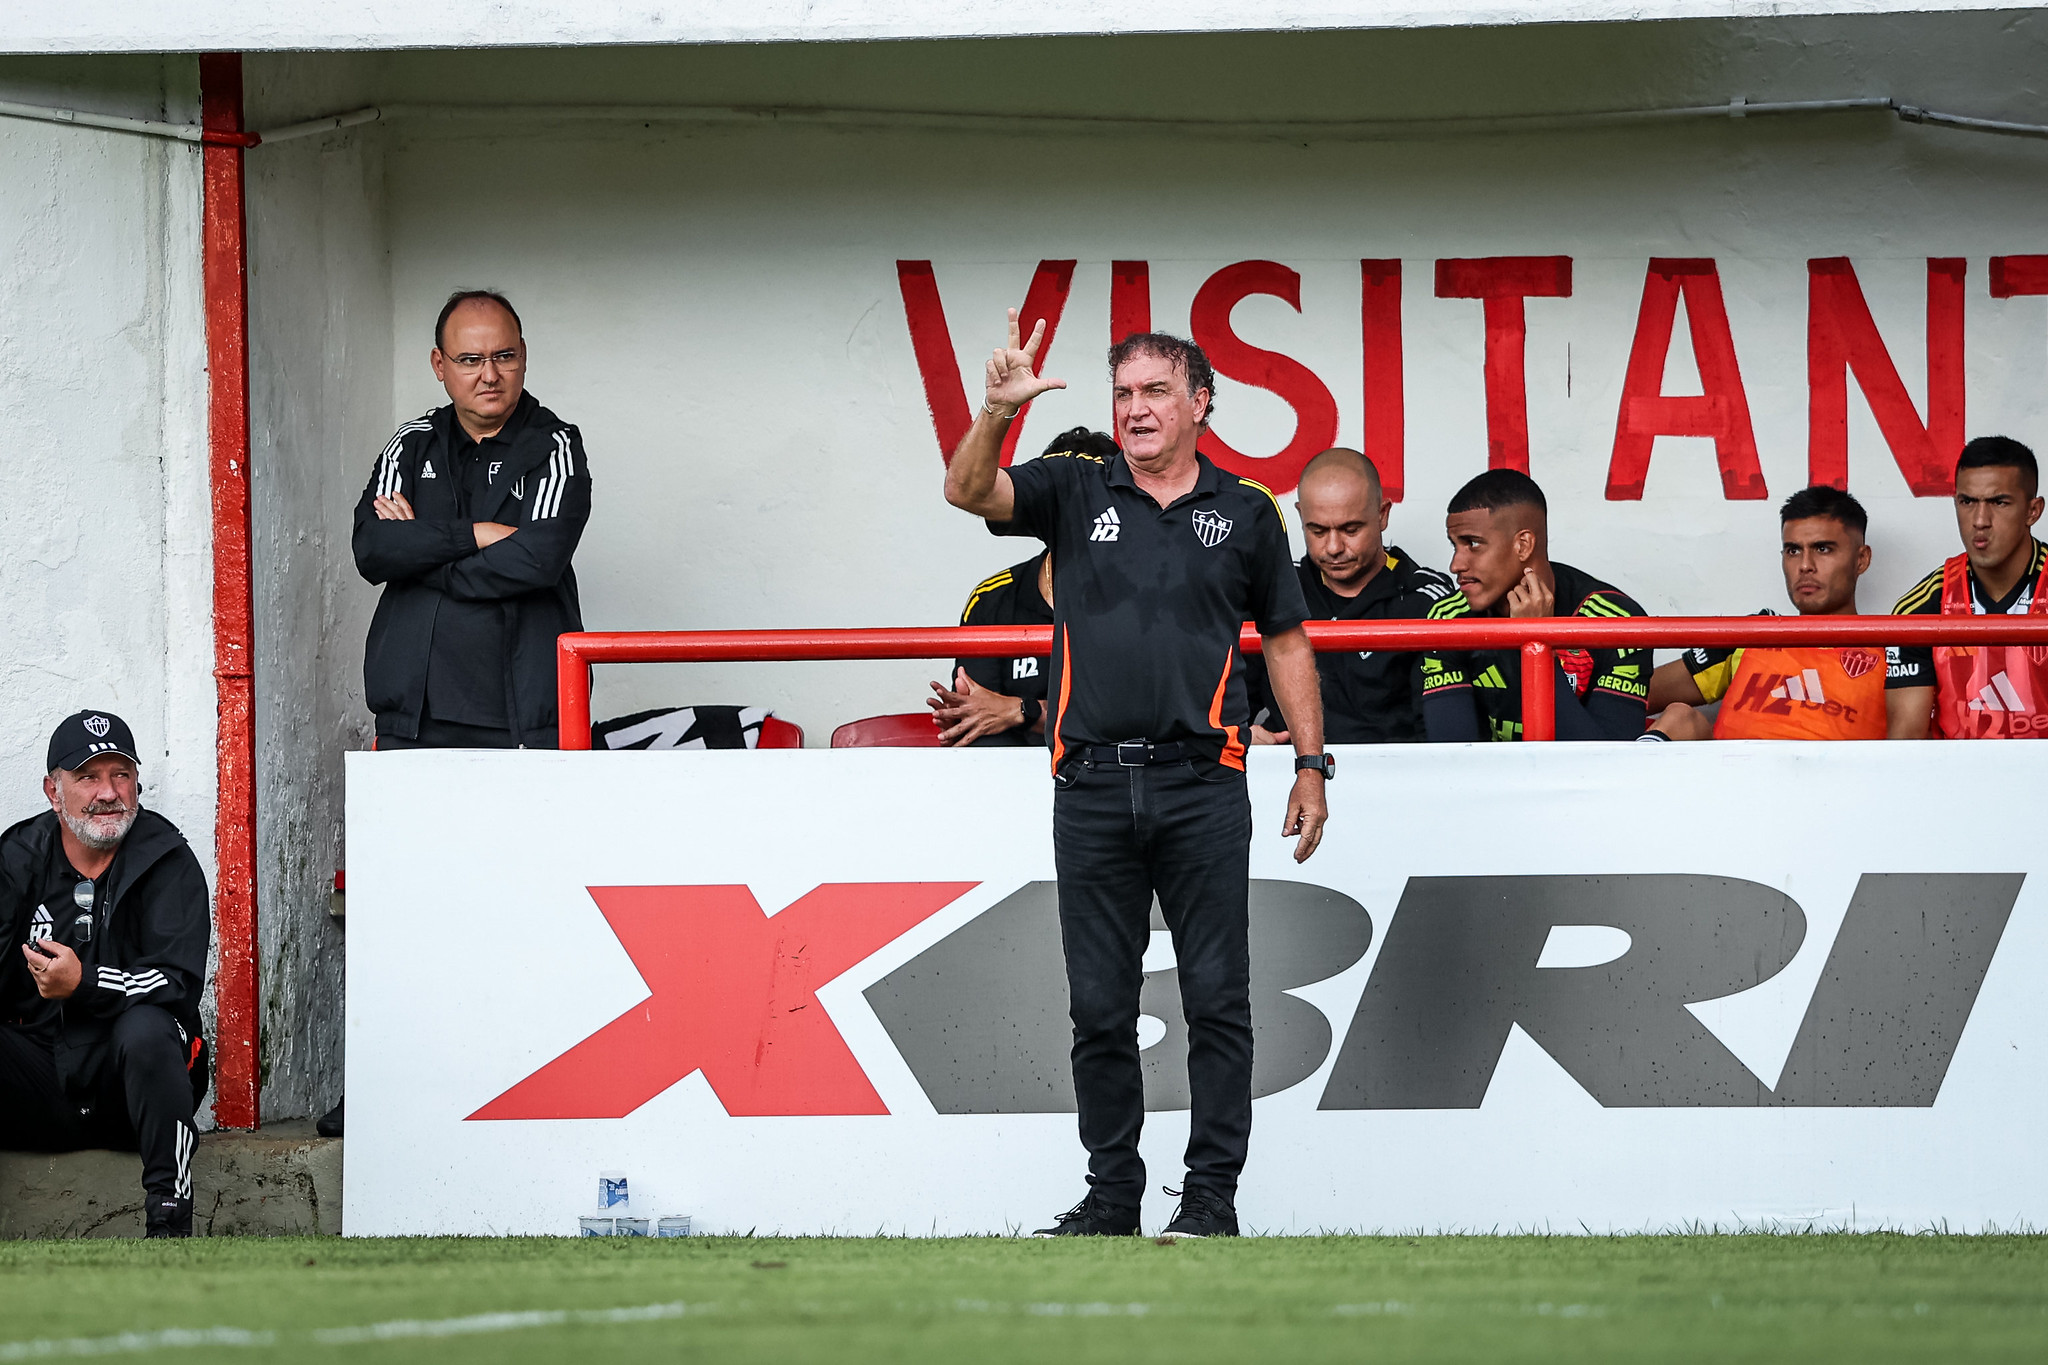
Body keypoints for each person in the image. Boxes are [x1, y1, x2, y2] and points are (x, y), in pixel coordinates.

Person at [943, 313, 1331, 1240]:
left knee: (1217, 1004)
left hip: (1204, 783)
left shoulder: (1245, 511)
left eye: (1157, 391)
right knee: (1100, 1009)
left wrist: (1312, 766)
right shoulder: (1075, 489)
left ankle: (1210, 1203)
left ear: (1202, 403)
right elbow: (965, 491)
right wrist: (997, 411)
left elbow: (1285, 640)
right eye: (1123, 393)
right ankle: (1112, 1198)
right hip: (1091, 789)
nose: (1136, 409)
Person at [352, 289, 593, 751]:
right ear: (439, 365)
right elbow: (371, 549)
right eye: (469, 359)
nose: (490, 375)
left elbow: (538, 559)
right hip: (411, 715)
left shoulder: (554, 445)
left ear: (523, 356)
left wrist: (420, 557)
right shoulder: (411, 443)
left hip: (525, 717)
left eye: (504, 356)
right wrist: (475, 535)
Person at [0, 712, 209, 1238]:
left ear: (137, 783)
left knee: (149, 1030)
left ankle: (169, 1221)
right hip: (42, 1077)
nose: (108, 792)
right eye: (88, 776)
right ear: (54, 789)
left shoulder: (167, 858)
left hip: (131, 1092)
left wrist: (84, 983)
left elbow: (176, 984)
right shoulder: (18, 857)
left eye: (120, 774)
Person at [1420, 469, 1650, 741]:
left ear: (1523, 545)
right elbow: (1454, 757)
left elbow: (1605, 763)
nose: (1456, 565)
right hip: (1492, 781)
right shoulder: (1449, 618)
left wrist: (1538, 642)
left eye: (1473, 544)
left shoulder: (1616, 621)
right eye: (1455, 545)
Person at [1244, 447, 1455, 744]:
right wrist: (1243, 737)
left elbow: (1446, 739)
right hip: (1293, 776)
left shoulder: (1426, 598)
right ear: (1301, 516)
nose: (1333, 547)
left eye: (1350, 529)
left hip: (1398, 780)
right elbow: (1228, 702)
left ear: (1382, 515)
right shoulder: (1274, 590)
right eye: (1317, 531)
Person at [1642, 486, 1884, 741]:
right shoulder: (1753, 635)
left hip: (1828, 778)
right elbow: (1630, 693)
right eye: (1793, 550)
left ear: (1861, 559)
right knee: (1679, 717)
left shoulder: (1895, 653)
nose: (1804, 566)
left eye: (1822, 549)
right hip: (1729, 777)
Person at [927, 430, 1115, 747]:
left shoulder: (1145, 597)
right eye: (1063, 500)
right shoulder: (992, 598)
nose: (1083, 518)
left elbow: (1132, 718)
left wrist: (1021, 710)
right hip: (1010, 779)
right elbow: (978, 720)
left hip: (1109, 777)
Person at [1886, 435, 2048, 738]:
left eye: (1999, 502)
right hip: (1956, 782)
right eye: (1967, 502)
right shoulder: (1920, 608)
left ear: (2033, 511)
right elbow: (1905, 743)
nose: (1980, 520)